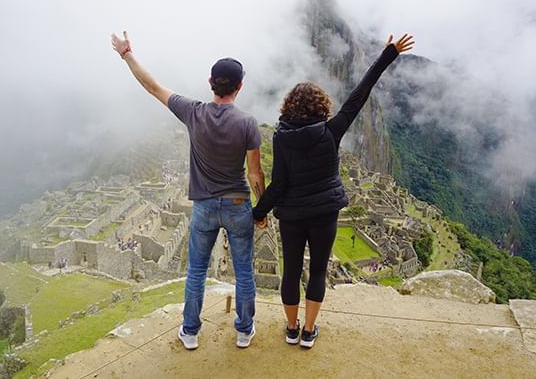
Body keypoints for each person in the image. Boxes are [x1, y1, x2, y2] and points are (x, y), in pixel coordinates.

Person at [252, 34, 414, 348]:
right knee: (317, 271)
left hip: (293, 214)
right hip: (325, 212)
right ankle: (309, 331)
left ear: (289, 107)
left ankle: (291, 327)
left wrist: (258, 213)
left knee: (291, 271)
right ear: (321, 105)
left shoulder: (282, 138)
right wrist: (387, 56)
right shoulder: (332, 130)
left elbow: (279, 183)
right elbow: (359, 95)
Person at [111, 31, 266, 350]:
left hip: (204, 206)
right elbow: (255, 173)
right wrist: (260, 209)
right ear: (239, 87)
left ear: (211, 82)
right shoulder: (248, 123)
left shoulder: (193, 112)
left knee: (196, 270)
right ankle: (243, 330)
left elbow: (151, 86)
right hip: (238, 203)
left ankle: (191, 332)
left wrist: (127, 53)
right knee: (244, 272)